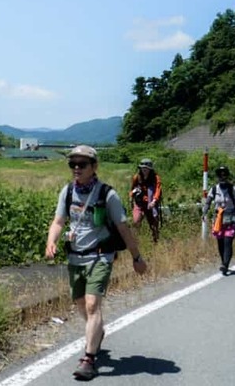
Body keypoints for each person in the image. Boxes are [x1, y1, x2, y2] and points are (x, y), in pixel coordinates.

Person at [45, 145, 147, 380]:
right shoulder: (68, 191)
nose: (77, 168)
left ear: (94, 167)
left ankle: (88, 359)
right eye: (73, 164)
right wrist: (51, 241)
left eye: (82, 164)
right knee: (80, 303)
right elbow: (59, 221)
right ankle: (97, 332)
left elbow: (123, 228)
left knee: (92, 305)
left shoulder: (107, 194)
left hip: (101, 255)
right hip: (75, 256)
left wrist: (137, 257)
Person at [202, 166, 235, 276]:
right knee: (220, 243)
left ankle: (225, 264)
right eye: (220, 174)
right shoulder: (214, 189)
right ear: (218, 176)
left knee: (227, 241)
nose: (222, 176)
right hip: (218, 219)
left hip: (231, 218)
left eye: (224, 174)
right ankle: (223, 262)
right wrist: (204, 213)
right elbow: (208, 202)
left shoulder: (232, 189)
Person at [129, 158, 163, 244]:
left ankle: (156, 242)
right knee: (136, 221)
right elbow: (131, 189)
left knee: (153, 224)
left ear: (150, 169)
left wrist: (154, 201)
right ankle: (134, 242)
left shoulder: (155, 178)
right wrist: (131, 196)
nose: (144, 170)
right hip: (139, 203)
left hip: (151, 203)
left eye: (146, 168)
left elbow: (157, 190)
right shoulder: (137, 177)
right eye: (142, 168)